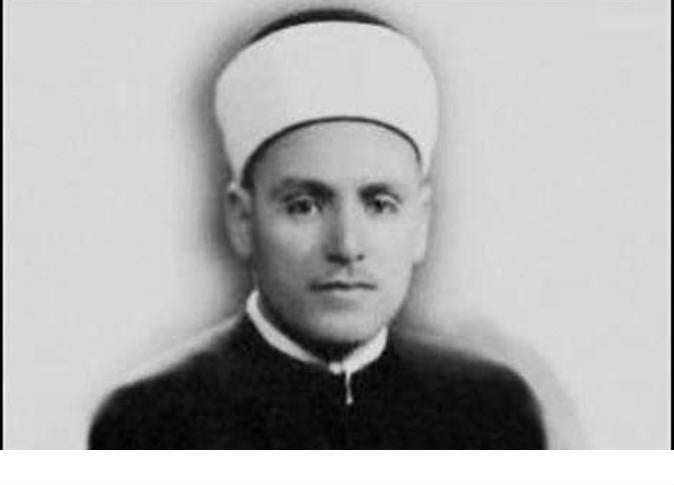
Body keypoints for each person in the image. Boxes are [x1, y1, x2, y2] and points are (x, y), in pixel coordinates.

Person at [88, 8, 547, 449]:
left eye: (380, 205)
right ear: (242, 219)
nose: (346, 245)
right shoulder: (150, 424)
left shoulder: (493, 415)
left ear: (421, 222)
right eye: (304, 206)